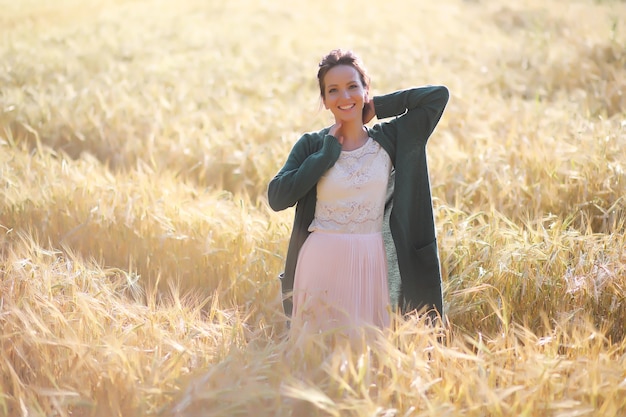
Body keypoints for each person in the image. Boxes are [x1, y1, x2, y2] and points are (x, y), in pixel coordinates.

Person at [268, 49, 449, 333]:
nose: (344, 96)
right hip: (320, 263)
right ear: (325, 100)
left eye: (353, 86)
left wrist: (379, 106)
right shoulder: (312, 145)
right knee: (317, 357)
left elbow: (437, 96)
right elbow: (277, 197)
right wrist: (324, 157)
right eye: (333, 90)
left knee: (371, 356)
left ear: (366, 90)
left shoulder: (392, 138)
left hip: (372, 263)